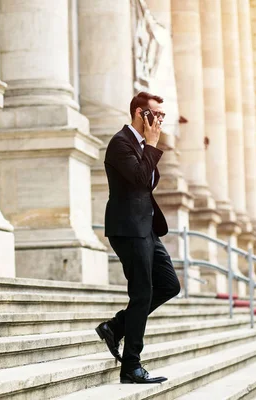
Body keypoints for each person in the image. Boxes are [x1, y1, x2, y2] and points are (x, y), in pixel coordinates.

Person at [95, 92, 181, 384]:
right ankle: (131, 366)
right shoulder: (120, 144)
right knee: (142, 293)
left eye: (161, 116)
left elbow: (147, 183)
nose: (159, 121)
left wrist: (150, 146)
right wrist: (153, 146)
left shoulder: (141, 144)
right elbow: (141, 179)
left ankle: (116, 327)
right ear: (138, 114)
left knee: (169, 285)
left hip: (146, 228)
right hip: (128, 228)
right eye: (155, 115)